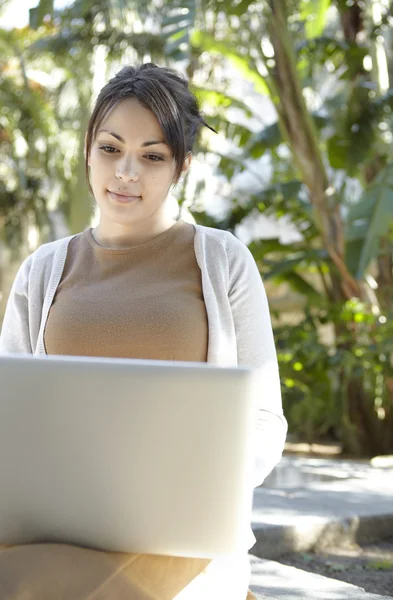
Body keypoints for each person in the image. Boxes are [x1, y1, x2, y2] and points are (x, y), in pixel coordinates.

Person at [0, 63, 287, 600]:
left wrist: (208, 490)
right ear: (88, 151)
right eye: (110, 148)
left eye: (152, 156)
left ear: (181, 167)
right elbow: (7, 409)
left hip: (180, 536)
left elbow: (265, 418)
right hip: (54, 526)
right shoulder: (42, 270)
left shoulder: (223, 261)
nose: (126, 171)